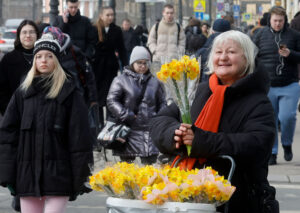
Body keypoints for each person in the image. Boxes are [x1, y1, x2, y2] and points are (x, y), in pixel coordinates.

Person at [150, 30, 278, 213]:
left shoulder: (258, 101)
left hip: (236, 199)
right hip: (183, 194)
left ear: (247, 58)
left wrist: (200, 141)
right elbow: (159, 120)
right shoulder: (200, 91)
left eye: (231, 52)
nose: (223, 57)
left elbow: (257, 144)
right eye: (218, 52)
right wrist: (175, 134)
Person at [0, 34, 93, 213]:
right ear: (34, 60)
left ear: (57, 60)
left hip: (59, 175)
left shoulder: (69, 93)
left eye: (50, 56)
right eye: (39, 56)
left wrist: (80, 178)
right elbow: (8, 136)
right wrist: (8, 174)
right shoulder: (22, 93)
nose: (44, 60)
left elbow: (79, 138)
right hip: (27, 177)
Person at [253, 6, 300, 165]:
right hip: (267, 85)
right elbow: (251, 56)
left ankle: (287, 144)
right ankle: (272, 152)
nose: (278, 24)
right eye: (275, 21)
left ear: (285, 20)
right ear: (269, 21)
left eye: (281, 21)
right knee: (270, 120)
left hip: (289, 84)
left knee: (287, 117)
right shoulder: (260, 35)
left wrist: (291, 54)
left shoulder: (294, 35)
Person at [107, 46, 166, 165]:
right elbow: (111, 100)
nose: (143, 66)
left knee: (149, 171)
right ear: (132, 62)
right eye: (139, 62)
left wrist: (159, 119)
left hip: (149, 133)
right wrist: (126, 114)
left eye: (145, 63)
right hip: (128, 131)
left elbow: (162, 102)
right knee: (127, 172)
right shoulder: (120, 80)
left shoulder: (155, 82)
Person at [42, 26, 99, 149]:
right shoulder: (44, 55)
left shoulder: (74, 52)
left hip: (78, 94)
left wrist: (92, 97)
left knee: (85, 122)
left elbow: (88, 74)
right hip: (56, 97)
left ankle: (91, 144)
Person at [93, 6, 127, 127]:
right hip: (97, 68)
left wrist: (126, 67)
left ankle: (109, 124)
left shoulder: (117, 30)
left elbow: (122, 49)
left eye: (112, 15)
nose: (110, 17)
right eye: (108, 15)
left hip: (111, 67)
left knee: (110, 95)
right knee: (98, 97)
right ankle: (99, 124)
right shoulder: (94, 28)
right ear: (101, 16)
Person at [0, 20, 40, 115]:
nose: (28, 35)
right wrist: (7, 110)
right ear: (19, 35)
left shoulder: (44, 57)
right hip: (14, 112)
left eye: (31, 32)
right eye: (24, 32)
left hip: (40, 113)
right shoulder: (8, 59)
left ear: (37, 35)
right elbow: (1, 89)